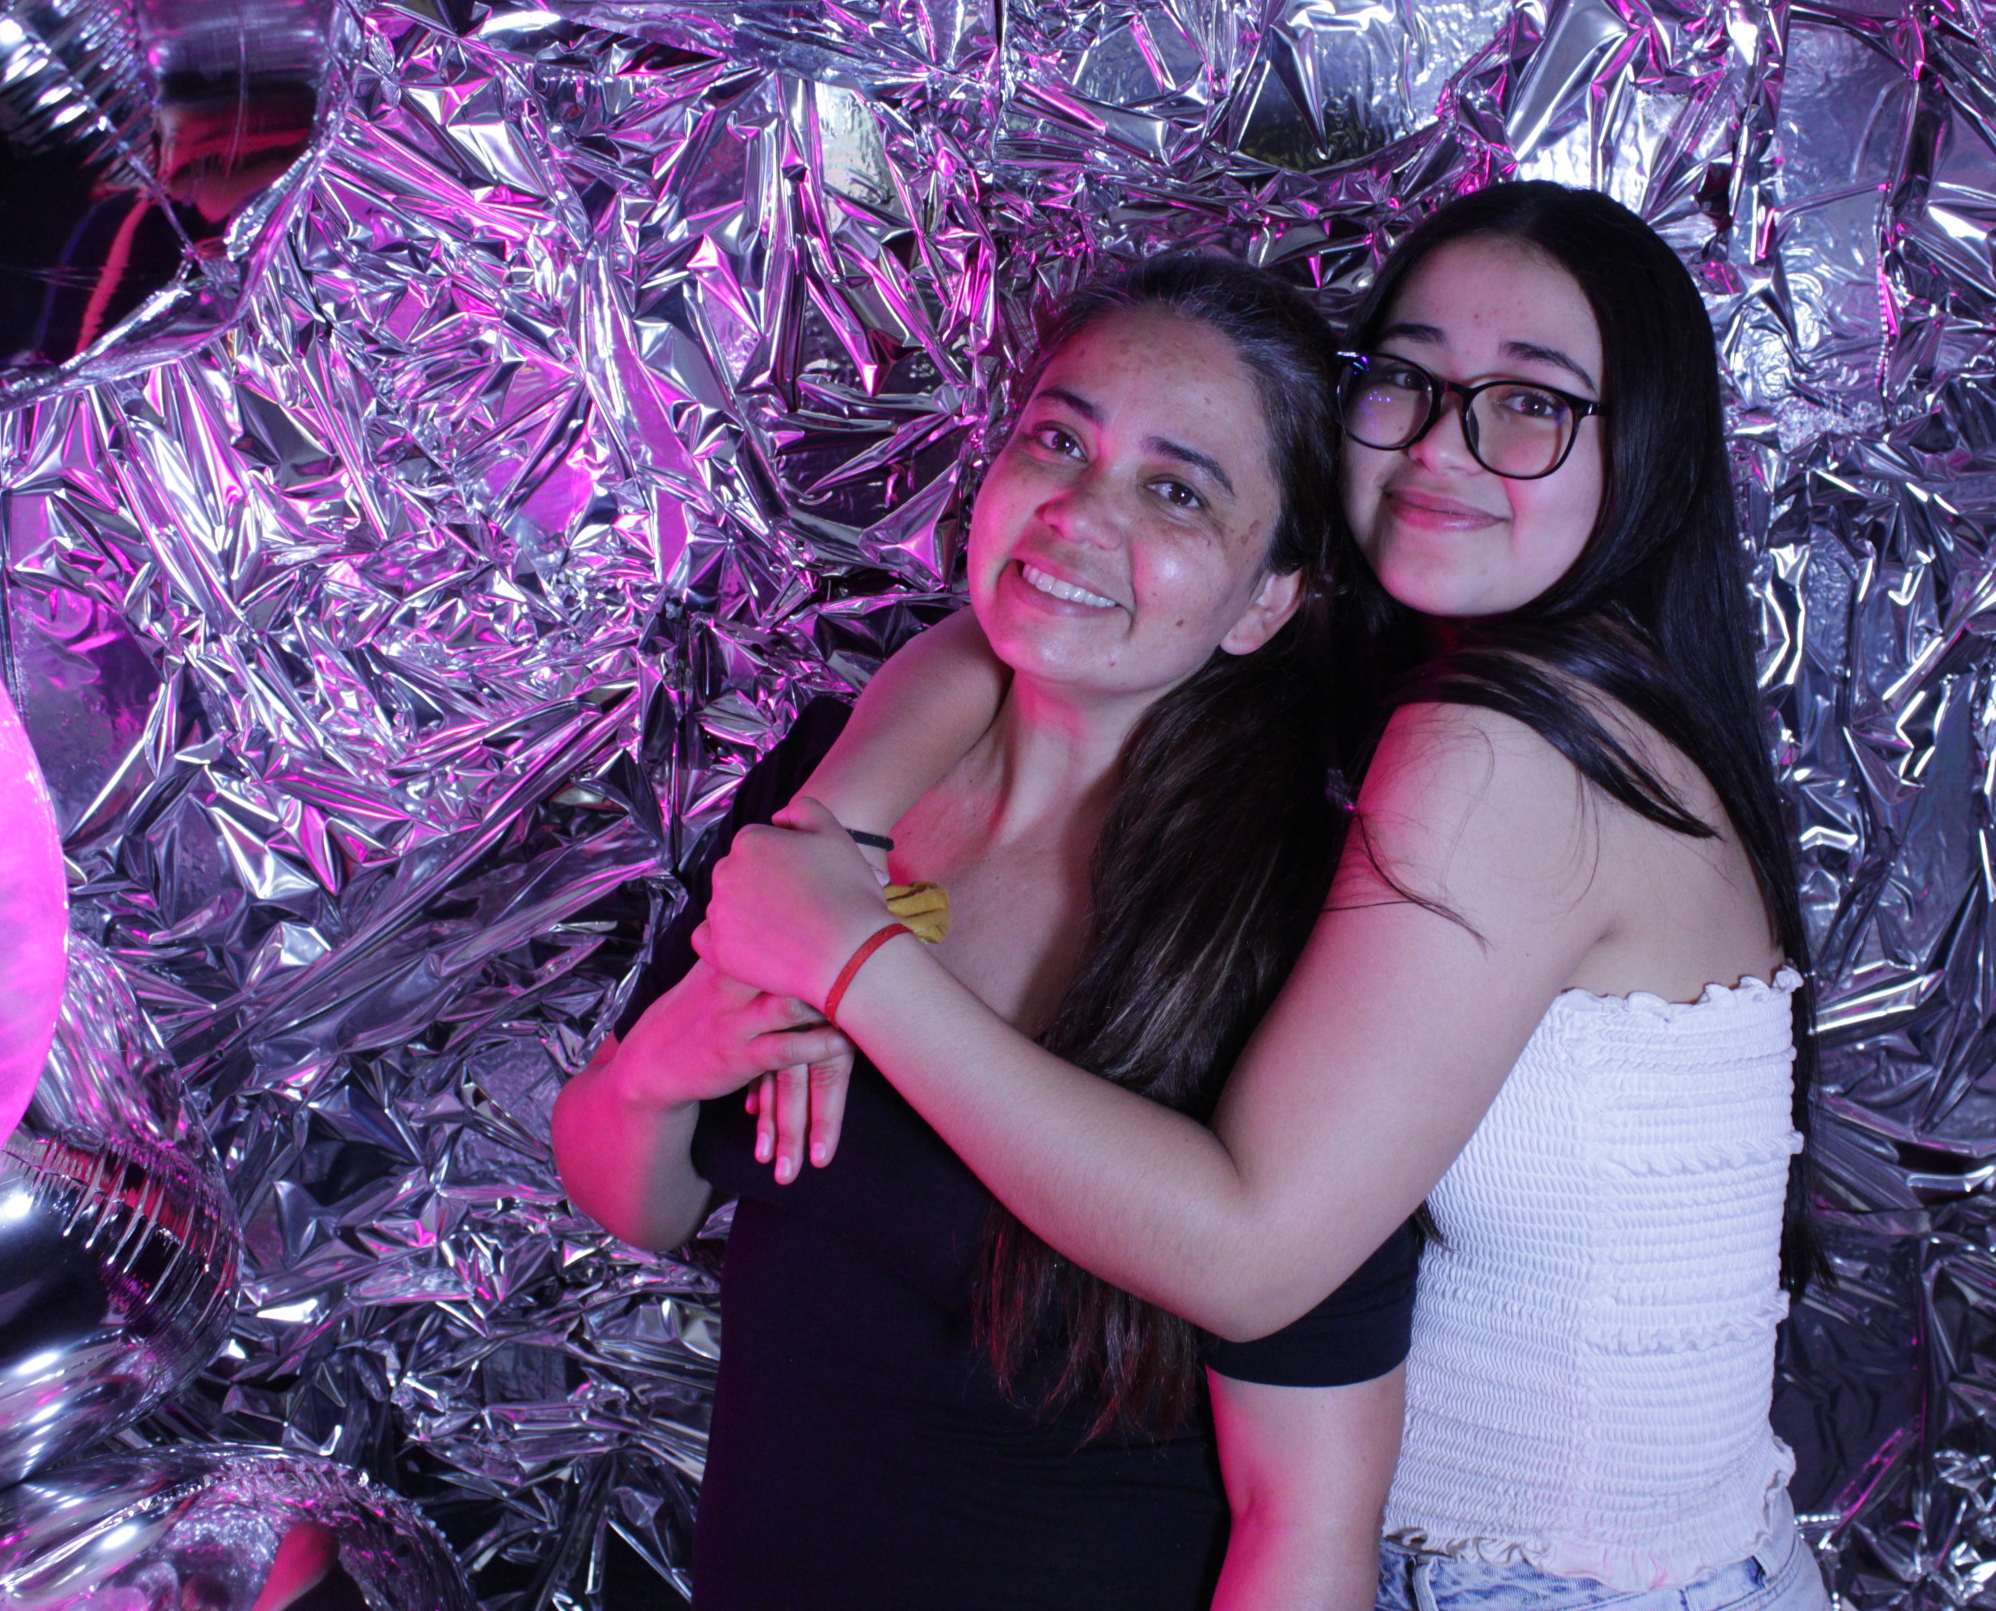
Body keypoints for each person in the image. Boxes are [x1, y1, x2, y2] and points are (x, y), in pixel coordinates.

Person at [697, 180, 1832, 1611]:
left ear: (1646, 453)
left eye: (1531, 404)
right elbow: (1022, 626)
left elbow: (1250, 1261)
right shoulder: (1512, 686)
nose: (1442, 444)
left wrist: (853, 958)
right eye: (1408, 380)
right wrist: (846, 816)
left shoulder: (1501, 748)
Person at [552, 255, 1422, 1611]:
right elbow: (644, 1200)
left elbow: (1304, 1517)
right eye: (1059, 442)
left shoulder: (1302, 925)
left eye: (1177, 491)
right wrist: (665, 1065)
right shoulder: (838, 794)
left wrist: (849, 961)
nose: (1078, 512)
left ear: (1267, 600)